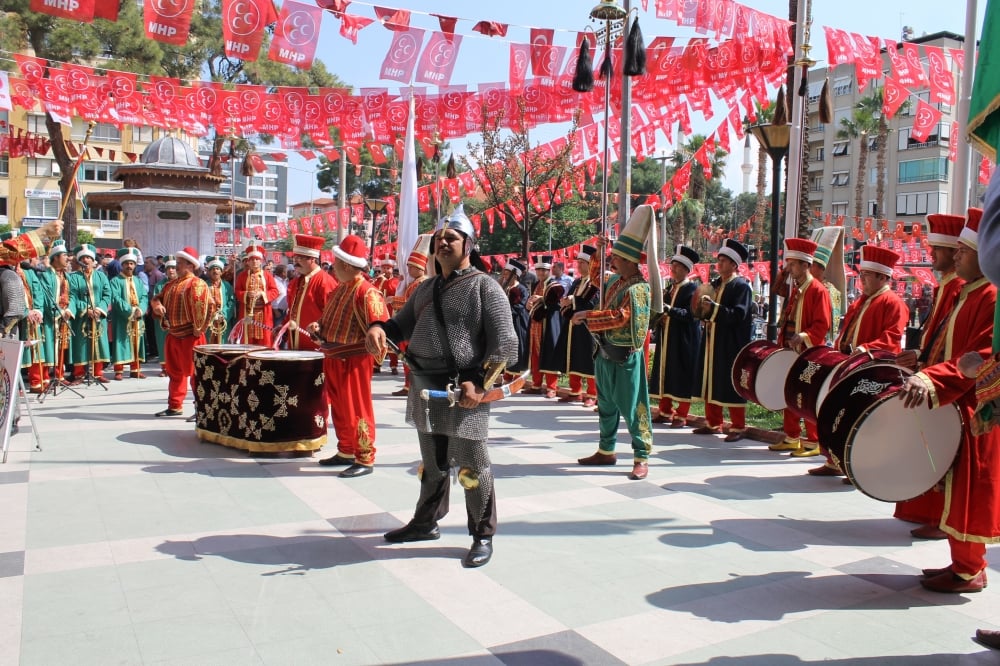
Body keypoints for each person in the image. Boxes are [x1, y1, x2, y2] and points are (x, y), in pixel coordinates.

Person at [366, 205, 518, 568]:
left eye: (451, 237)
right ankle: (425, 522)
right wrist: (379, 328)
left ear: (469, 245)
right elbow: (398, 325)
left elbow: (506, 346)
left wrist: (479, 384)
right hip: (425, 386)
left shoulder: (486, 287)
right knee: (432, 464)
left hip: (465, 389)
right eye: (439, 238)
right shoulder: (426, 288)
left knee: (472, 465)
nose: (443, 242)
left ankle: (482, 533)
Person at [896, 208, 998, 595]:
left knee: (971, 489)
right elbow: (950, 348)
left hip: (975, 410)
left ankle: (970, 570)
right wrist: (922, 363)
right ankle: (963, 564)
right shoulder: (967, 292)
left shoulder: (990, 296)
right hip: (954, 404)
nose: (955, 257)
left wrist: (932, 376)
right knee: (956, 488)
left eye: (963, 252)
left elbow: (980, 356)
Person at [894, 212, 966, 538]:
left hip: (953, 386)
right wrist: (920, 357)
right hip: (935, 376)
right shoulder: (945, 288)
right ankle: (930, 513)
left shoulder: (962, 289)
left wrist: (930, 371)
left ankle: (943, 518)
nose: (932, 254)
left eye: (939, 249)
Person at [809, 244, 910, 477]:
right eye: (861, 274)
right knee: (839, 414)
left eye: (866, 275)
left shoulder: (893, 303)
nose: (861, 279)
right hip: (850, 367)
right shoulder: (862, 300)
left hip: (872, 372)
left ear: (883, 276)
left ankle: (860, 466)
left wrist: (866, 348)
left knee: (864, 422)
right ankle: (835, 460)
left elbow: (892, 338)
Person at [574, 205, 657, 481]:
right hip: (604, 353)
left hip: (625, 357)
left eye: (617, 258)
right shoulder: (615, 282)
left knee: (633, 407)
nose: (613, 262)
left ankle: (641, 455)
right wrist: (599, 249)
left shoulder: (639, 288)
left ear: (632, 261)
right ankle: (606, 450)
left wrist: (588, 316)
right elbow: (597, 278)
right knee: (606, 404)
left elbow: (623, 317)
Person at [310, 235, 388, 478]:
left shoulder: (367, 292)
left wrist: (376, 330)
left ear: (345, 265)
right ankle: (345, 450)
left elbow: (379, 323)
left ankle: (365, 457)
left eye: (335, 263)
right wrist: (317, 328)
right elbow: (326, 321)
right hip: (332, 357)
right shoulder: (339, 289)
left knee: (357, 408)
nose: (332, 266)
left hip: (354, 361)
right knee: (340, 410)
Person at [768, 238, 832, 457]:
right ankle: (792, 436)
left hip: (808, 352)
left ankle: (813, 441)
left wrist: (804, 336)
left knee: (808, 394)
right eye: (789, 263)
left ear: (806, 265)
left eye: (794, 264)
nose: (790, 268)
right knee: (790, 392)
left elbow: (822, 324)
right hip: (789, 349)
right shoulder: (797, 289)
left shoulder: (818, 290)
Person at [693, 238, 754, 442]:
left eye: (723, 261)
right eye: (718, 260)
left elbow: (739, 314)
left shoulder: (741, 286)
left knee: (730, 382)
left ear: (734, 265)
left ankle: (738, 426)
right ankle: (713, 422)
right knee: (712, 379)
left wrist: (714, 309)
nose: (719, 264)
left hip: (731, 343)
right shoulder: (716, 285)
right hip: (712, 340)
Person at [151, 247, 215, 418]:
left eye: (179, 264)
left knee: (196, 374)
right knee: (174, 373)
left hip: (190, 337)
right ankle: (175, 405)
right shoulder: (170, 285)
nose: (176, 267)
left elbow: (209, 306)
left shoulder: (197, 283)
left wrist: (200, 328)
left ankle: (200, 408)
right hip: (173, 335)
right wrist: (157, 306)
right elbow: (157, 298)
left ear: (190, 265)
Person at [650, 245, 702, 427]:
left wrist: (669, 311)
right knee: (666, 373)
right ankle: (664, 411)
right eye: (672, 265)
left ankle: (681, 415)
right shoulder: (669, 289)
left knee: (682, 375)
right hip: (666, 339)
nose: (673, 269)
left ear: (687, 269)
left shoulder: (693, 289)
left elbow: (692, 314)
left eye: (678, 266)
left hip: (684, 340)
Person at [553, 246, 599, 408]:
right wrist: (565, 303)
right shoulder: (577, 282)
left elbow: (594, 302)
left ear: (590, 264)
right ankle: (575, 391)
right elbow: (570, 300)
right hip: (573, 325)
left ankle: (592, 394)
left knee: (588, 359)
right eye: (578, 262)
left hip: (588, 327)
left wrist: (573, 300)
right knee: (573, 357)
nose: (578, 266)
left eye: (582, 263)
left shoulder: (596, 282)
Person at [387, 234, 433, 396]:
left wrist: (394, 300)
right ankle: (409, 385)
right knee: (406, 357)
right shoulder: (416, 282)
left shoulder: (421, 283)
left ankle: (413, 385)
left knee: (411, 358)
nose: (409, 270)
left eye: (412, 267)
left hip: (415, 328)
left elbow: (411, 304)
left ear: (421, 268)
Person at [285, 234, 337, 352]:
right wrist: (283, 327)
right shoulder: (296, 281)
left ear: (313, 259)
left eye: (300, 258)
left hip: (314, 347)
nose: (296, 262)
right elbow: (292, 310)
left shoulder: (325, 281)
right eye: (295, 258)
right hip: (294, 344)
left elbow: (332, 316)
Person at [68, 243, 111, 383]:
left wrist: (99, 309)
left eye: (89, 258)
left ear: (93, 261)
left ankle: (98, 372)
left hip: (99, 315)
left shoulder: (101, 276)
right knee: (80, 344)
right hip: (82, 317)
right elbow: (72, 296)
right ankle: (79, 374)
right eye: (84, 258)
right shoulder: (73, 277)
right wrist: (86, 309)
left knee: (99, 342)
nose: (86, 260)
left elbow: (107, 294)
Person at [526, 255, 563, 397]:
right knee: (535, 354)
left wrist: (541, 298)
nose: (541, 273)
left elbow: (555, 301)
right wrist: (528, 305)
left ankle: (551, 387)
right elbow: (531, 301)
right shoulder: (536, 284)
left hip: (549, 324)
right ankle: (536, 384)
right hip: (536, 324)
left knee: (550, 353)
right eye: (538, 270)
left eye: (543, 270)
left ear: (549, 270)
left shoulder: (555, 284)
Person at [108, 247, 148, 380]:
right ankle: (119, 370)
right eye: (126, 264)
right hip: (122, 317)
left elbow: (144, 297)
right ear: (122, 265)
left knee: (137, 340)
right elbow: (115, 299)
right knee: (121, 341)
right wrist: (130, 311)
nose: (129, 266)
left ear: (135, 265)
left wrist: (140, 309)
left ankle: (135, 368)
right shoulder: (115, 281)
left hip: (138, 316)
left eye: (131, 263)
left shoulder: (138, 281)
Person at [234, 244, 279, 347]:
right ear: (248, 262)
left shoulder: (267, 275)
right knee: (247, 337)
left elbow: (275, 291)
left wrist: (262, 294)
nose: (254, 261)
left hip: (263, 312)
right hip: (247, 312)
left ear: (261, 261)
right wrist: (246, 294)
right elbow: (237, 291)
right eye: (252, 259)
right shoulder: (242, 276)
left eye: (257, 259)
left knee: (264, 338)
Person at [501, 258, 531, 381]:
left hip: (518, 322)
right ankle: (507, 374)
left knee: (518, 347)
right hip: (507, 322)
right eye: (504, 273)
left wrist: (506, 312)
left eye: (507, 274)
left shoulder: (522, 289)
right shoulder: (506, 288)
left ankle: (518, 376)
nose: (505, 276)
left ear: (515, 275)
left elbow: (519, 306)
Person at [150, 257, 177, 376]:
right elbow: (155, 299)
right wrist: (158, 306)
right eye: (168, 268)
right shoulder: (160, 285)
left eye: (173, 268)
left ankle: (176, 367)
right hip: (163, 319)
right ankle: (165, 368)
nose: (171, 271)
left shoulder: (182, 283)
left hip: (178, 319)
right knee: (163, 343)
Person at [374, 258, 401, 374]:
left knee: (392, 339)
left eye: (388, 268)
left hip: (392, 312)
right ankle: (377, 364)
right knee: (379, 337)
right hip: (380, 312)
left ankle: (394, 365)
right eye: (384, 268)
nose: (386, 270)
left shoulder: (397, 281)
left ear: (392, 269)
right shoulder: (377, 280)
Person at [203, 256, 237, 345]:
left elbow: (231, 301)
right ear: (209, 272)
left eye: (218, 269)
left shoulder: (227, 286)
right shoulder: (203, 285)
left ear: (221, 272)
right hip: (209, 321)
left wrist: (223, 314)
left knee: (223, 345)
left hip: (223, 321)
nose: (215, 271)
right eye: (213, 269)